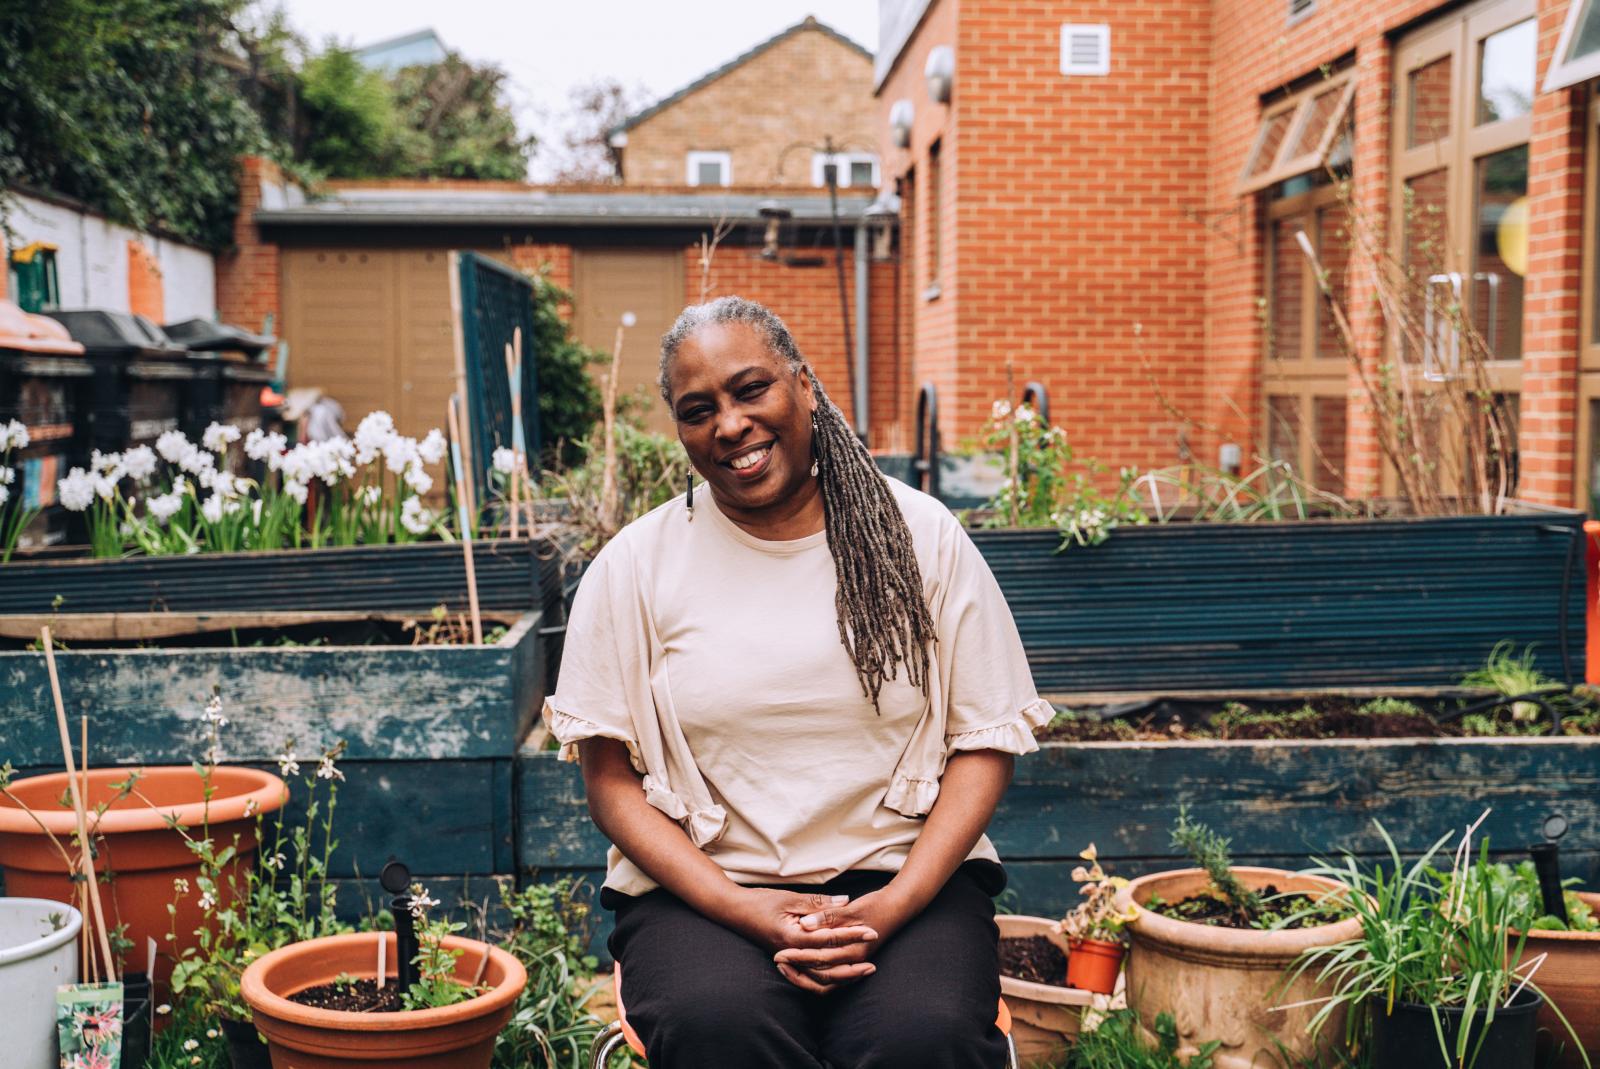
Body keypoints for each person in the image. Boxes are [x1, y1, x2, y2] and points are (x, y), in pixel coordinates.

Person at [544, 296, 1050, 1068]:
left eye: (752, 389)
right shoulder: (636, 566)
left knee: (921, 1036)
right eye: (698, 408)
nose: (731, 424)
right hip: (706, 892)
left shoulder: (921, 538)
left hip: (905, 880)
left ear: (805, 386)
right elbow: (609, 782)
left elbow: (983, 744)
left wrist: (892, 906)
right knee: (721, 1024)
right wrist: (743, 907)